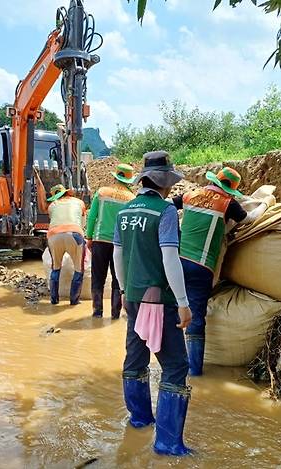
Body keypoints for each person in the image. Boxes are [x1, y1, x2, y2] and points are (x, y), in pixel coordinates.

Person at [113, 151, 193, 456]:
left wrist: (121, 290)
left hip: (132, 298)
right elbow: (170, 258)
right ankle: (168, 444)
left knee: (135, 358)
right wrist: (184, 302)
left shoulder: (124, 211)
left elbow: (118, 256)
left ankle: (139, 420)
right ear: (164, 183)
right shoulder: (165, 212)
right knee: (175, 366)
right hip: (160, 301)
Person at [172, 167, 274, 376]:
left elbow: (167, 206)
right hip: (201, 265)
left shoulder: (190, 195)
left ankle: (173, 362)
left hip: (178, 261)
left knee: (177, 307)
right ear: (230, 190)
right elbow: (250, 218)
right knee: (196, 315)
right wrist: (266, 203)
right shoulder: (227, 203)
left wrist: (177, 232)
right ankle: (195, 372)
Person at [85, 164, 137, 319]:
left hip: (100, 240)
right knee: (118, 278)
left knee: (98, 277)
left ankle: (97, 312)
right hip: (121, 243)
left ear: (115, 177)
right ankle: (115, 314)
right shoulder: (132, 199)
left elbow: (92, 216)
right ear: (129, 180)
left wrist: (89, 237)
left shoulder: (101, 192)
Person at [46, 184, 87, 305]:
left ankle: (54, 300)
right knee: (79, 269)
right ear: (67, 192)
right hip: (74, 234)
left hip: (54, 236)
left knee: (55, 268)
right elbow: (82, 223)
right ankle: (74, 301)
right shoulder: (79, 202)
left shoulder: (52, 206)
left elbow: (53, 221)